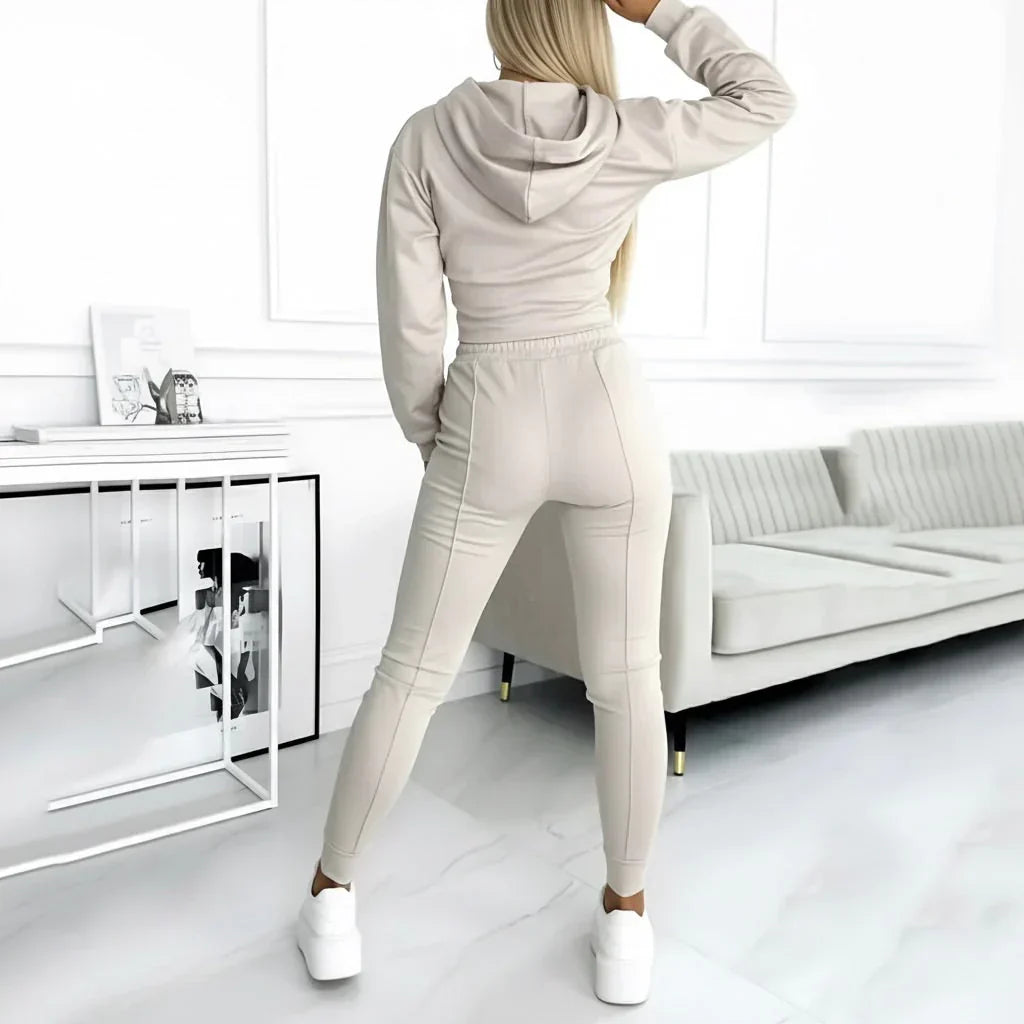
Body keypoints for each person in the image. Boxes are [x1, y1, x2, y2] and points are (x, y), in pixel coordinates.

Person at [295, 0, 795, 1005]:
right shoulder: (624, 131)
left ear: (501, 16)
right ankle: (627, 920)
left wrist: (436, 436)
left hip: (489, 405)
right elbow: (764, 98)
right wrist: (661, 11)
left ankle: (333, 901)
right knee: (629, 678)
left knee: (411, 673)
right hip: (609, 406)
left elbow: (410, 325)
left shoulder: (426, 137)